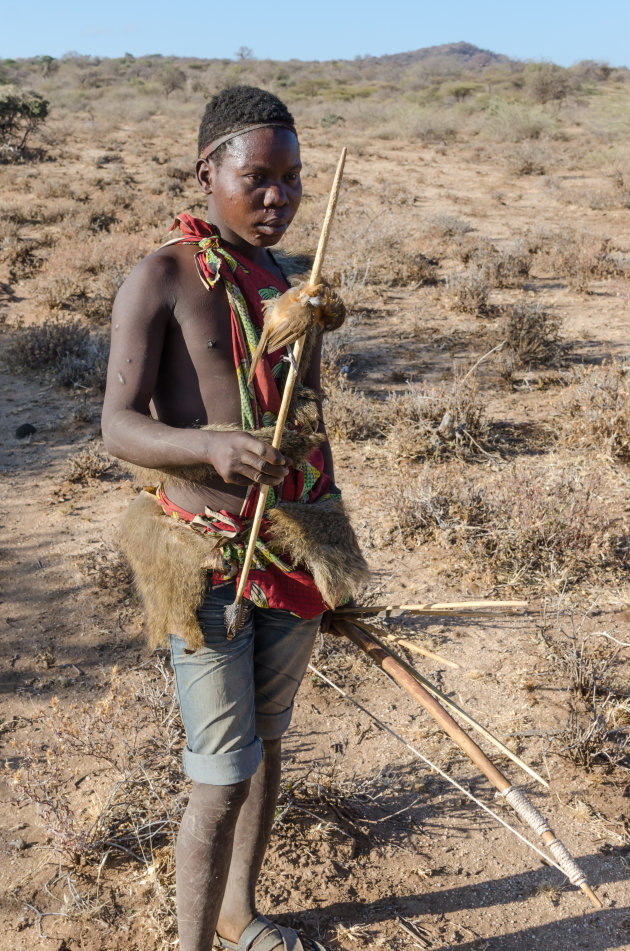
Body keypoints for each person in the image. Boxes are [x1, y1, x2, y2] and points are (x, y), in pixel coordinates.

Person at [101, 86, 366, 951]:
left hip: (288, 550)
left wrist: (311, 333)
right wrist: (211, 448)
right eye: (258, 179)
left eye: (292, 180)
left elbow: (303, 415)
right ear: (206, 172)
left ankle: (239, 913)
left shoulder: (281, 277)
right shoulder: (162, 277)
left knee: (269, 747)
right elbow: (118, 425)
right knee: (220, 778)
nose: (279, 199)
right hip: (206, 561)